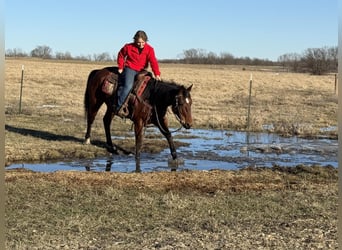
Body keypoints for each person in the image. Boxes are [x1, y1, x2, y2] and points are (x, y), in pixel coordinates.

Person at [115, 30, 161, 117]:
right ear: (135, 40)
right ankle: (119, 106)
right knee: (128, 86)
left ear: (146, 41)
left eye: (143, 42)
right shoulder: (128, 47)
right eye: (138, 42)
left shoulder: (150, 49)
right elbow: (121, 55)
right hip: (130, 68)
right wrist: (121, 67)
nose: (140, 44)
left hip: (142, 70)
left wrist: (157, 74)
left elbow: (153, 62)